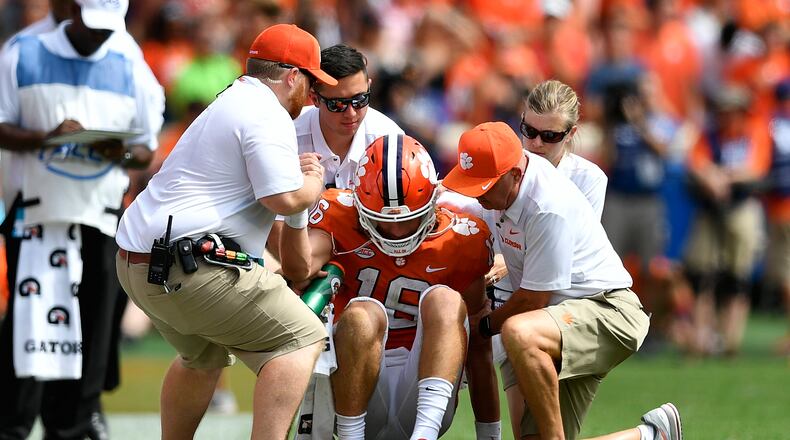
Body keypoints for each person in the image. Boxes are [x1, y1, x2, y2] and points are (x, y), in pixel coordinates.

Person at [114, 23, 335, 439]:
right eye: (310, 81)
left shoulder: (233, 97)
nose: (312, 95)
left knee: (203, 358)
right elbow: (285, 199)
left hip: (136, 262)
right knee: (303, 337)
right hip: (188, 264)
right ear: (291, 76)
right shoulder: (267, 112)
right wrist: (313, 182)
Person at [443, 122, 681, 440]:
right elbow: (454, 198)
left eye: (484, 185)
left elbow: (532, 301)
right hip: (559, 322)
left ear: (514, 173)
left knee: (518, 331)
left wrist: (481, 328)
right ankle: (651, 435)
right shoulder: (512, 183)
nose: (478, 195)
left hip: (607, 310)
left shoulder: (545, 206)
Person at [0, 0, 163, 438]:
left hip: (100, 214)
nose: (100, 36)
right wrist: (47, 137)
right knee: (28, 324)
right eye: (93, 25)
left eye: (109, 27)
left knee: (93, 327)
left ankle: (74, 425)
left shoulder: (129, 58)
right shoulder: (22, 51)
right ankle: (11, 424)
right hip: (35, 212)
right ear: (71, 10)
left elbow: (145, 145)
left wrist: (117, 151)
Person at [297, 134, 498, 439]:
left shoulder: (463, 238)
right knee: (364, 313)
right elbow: (298, 270)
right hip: (354, 386)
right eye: (380, 221)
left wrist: (490, 434)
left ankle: (423, 436)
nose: (396, 232)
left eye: (411, 220)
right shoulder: (338, 214)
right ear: (359, 204)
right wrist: (295, 207)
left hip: (426, 387)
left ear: (434, 203)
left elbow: (479, 347)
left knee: (444, 300)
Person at [267, 43, 404, 261]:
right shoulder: (285, 137)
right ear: (314, 98)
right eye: (338, 104)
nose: (351, 113)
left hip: (371, 260)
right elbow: (274, 228)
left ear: (369, 86)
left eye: (360, 100)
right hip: (298, 261)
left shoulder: (391, 141)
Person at [683, 85, 770, 356]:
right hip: (710, 209)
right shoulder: (708, 136)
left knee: (737, 277)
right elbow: (696, 164)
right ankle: (702, 341)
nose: (728, 117)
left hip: (742, 207)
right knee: (701, 276)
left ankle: (731, 342)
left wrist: (722, 176)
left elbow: (756, 168)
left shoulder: (753, 133)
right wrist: (711, 178)